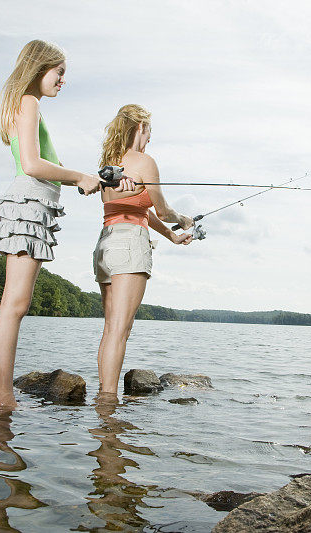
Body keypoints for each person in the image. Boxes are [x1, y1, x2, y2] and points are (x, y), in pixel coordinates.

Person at [0, 40, 135, 409]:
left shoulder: (20, 103)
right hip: (31, 202)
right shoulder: (29, 102)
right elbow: (33, 164)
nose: (63, 80)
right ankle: (2, 394)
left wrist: (88, 180)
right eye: (60, 72)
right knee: (15, 305)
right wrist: (78, 176)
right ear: (40, 68)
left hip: (35, 202)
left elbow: (39, 165)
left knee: (15, 304)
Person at [93, 104, 194, 398]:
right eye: (149, 131)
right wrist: (182, 219)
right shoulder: (145, 161)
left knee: (111, 328)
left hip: (106, 244)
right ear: (141, 128)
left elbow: (141, 210)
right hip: (130, 244)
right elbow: (161, 210)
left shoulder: (109, 164)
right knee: (120, 331)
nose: (150, 138)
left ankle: (103, 395)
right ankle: (108, 401)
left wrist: (172, 237)